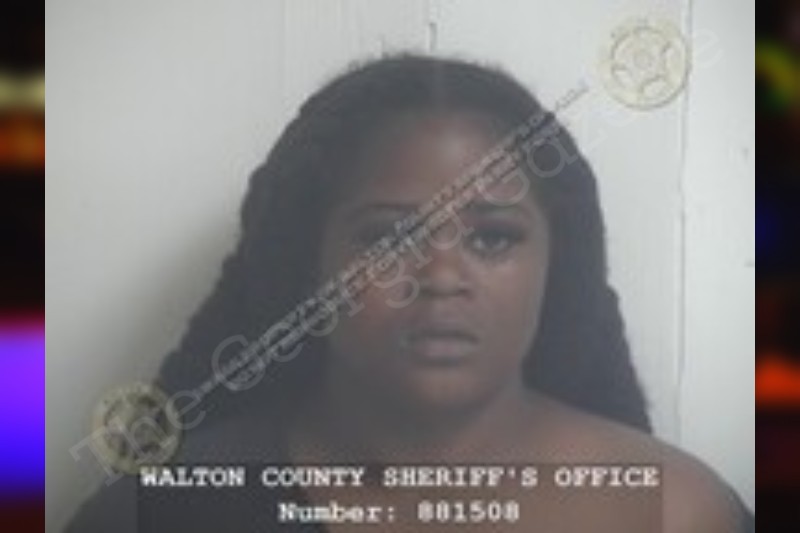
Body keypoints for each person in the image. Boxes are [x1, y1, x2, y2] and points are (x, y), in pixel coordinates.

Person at [66, 55, 753, 532]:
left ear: (559, 263)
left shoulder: (677, 512)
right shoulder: (167, 514)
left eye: (493, 238)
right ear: (310, 262)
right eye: (387, 238)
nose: (443, 278)